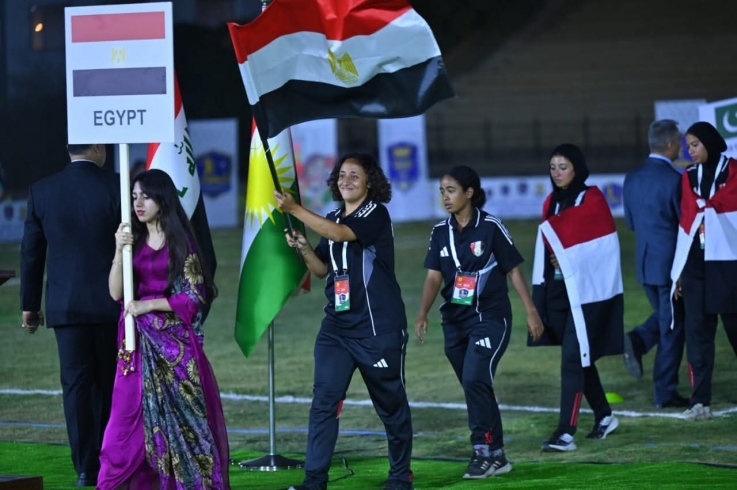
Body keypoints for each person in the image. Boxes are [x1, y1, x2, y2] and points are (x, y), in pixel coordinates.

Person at [273, 153, 414, 490]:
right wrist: (305, 247)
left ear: (369, 182)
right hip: (336, 329)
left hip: (376, 329)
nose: (346, 180)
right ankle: (314, 481)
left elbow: (339, 234)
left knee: (391, 405)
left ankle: (400, 476)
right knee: (324, 402)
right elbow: (322, 270)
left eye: (354, 175)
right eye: (342, 175)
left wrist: (295, 209)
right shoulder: (334, 216)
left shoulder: (375, 214)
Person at [98, 169, 229, 489]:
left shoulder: (181, 242)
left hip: (174, 349)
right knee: (123, 422)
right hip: (136, 344)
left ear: (162, 199)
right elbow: (116, 293)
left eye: (145, 196)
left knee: (184, 421)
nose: (138, 203)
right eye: (134, 197)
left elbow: (195, 296)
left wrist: (148, 305)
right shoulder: (133, 240)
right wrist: (118, 249)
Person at [413, 165, 543, 479]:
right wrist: (422, 313)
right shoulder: (439, 232)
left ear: (469, 193)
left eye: (451, 190)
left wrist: (531, 311)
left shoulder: (491, 226)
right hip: (454, 321)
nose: (445, 197)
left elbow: (513, 270)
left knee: (474, 380)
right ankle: (498, 455)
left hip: (490, 317)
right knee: (476, 387)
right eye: (442, 191)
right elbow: (433, 277)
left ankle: (482, 451)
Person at [20, 143, 120, 487]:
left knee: (75, 388)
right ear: (98, 148)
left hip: (66, 307)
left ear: (67, 149)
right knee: (109, 384)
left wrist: (30, 305)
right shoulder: (117, 186)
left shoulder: (42, 191)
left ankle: (84, 469)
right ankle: (111, 460)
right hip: (111, 304)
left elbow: (31, 253)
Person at [529, 144, 624, 452]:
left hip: (587, 293)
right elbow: (546, 246)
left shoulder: (592, 198)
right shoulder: (550, 202)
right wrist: (540, 298)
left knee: (572, 358)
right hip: (557, 292)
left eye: (563, 167)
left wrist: (569, 259)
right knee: (580, 357)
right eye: (553, 167)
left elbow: (603, 248)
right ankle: (605, 416)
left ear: (577, 168)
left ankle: (565, 433)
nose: (557, 173)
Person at [671, 122, 737, 421]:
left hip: (728, 264)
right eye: (688, 146)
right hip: (696, 266)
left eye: (695, 145)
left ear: (709, 142)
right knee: (698, 335)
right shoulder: (687, 178)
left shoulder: (734, 172)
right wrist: (680, 270)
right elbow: (685, 224)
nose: (690, 151)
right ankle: (700, 402)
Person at [622, 119, 688, 409]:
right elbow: (684, 227)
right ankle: (665, 392)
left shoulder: (632, 177)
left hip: (645, 263)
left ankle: (638, 340)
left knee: (667, 318)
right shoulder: (675, 180)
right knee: (673, 326)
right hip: (670, 265)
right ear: (671, 144)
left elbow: (631, 222)